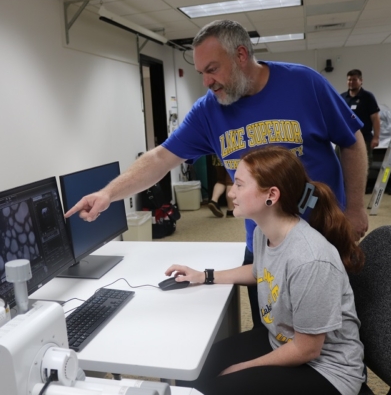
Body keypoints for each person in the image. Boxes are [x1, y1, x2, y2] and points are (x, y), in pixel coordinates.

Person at [65, 20, 369, 329]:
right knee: (272, 332)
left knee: (331, 333)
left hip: (321, 232)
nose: (207, 82)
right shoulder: (208, 111)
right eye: (201, 73)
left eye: (212, 69)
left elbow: (351, 141)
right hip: (264, 245)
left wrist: (356, 207)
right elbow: (160, 159)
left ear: (240, 55)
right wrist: (108, 194)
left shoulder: (305, 83)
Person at [165, 146, 365, 395]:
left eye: (239, 185)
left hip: (328, 369)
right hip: (280, 339)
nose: (231, 192)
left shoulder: (311, 260)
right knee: (193, 368)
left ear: (271, 195)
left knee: (218, 387)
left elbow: (307, 350)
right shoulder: (264, 232)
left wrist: (244, 367)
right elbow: (260, 271)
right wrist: (204, 275)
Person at [340, 69, 381, 178]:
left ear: (361, 81)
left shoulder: (368, 97)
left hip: (364, 138)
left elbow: (375, 118)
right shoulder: (342, 97)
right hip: (345, 138)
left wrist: (376, 137)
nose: (351, 82)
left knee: (363, 167)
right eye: (349, 80)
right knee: (341, 165)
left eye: (354, 79)